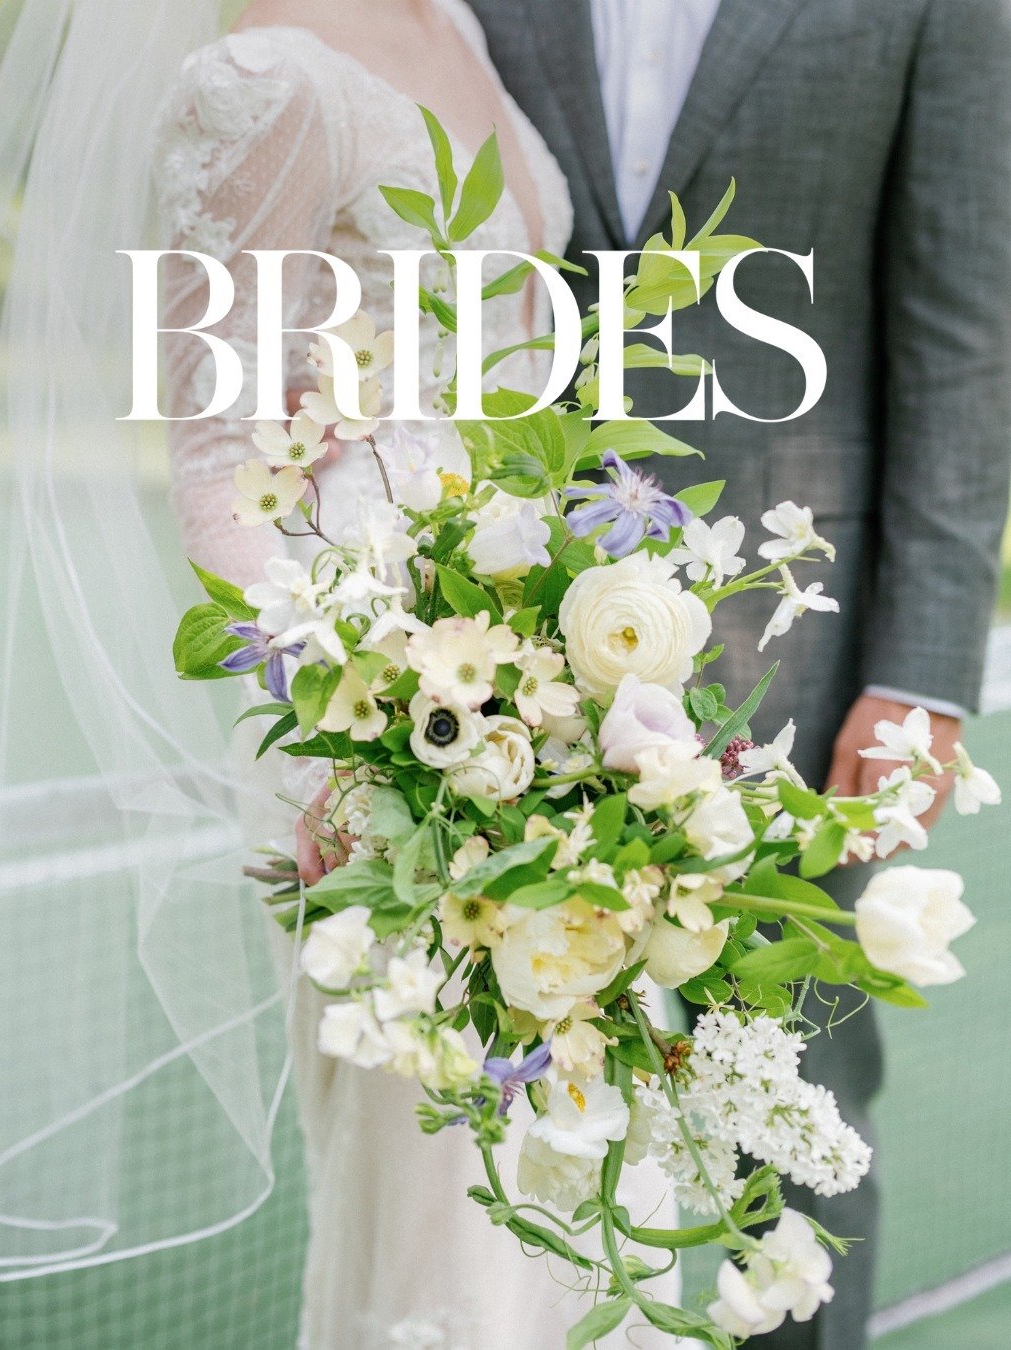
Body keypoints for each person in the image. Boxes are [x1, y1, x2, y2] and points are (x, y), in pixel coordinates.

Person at [466, 1, 1011, 1346]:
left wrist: (924, 674)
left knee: (793, 1102)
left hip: (800, 651)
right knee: (503, 1095)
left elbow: (964, 329)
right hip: (494, 631)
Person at [158, 1, 681, 1345]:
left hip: (552, 688)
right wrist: (364, 732)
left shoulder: (458, 17)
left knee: (587, 1164)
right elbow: (219, 463)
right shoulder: (260, 73)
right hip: (389, 738)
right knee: (447, 1199)